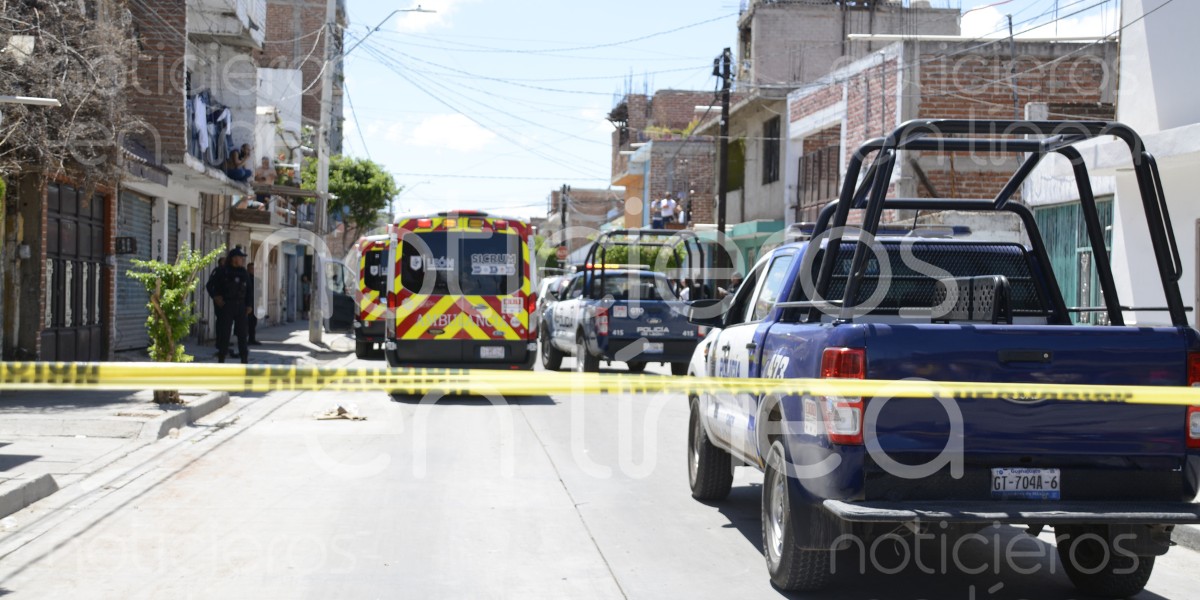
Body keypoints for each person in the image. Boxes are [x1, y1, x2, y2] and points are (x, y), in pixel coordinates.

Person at [206, 247, 253, 363]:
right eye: (240, 258)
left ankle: (244, 359)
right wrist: (215, 297)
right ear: (233, 259)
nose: (242, 260)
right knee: (225, 333)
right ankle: (221, 358)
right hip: (227, 305)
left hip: (241, 306)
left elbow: (250, 291)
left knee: (242, 334)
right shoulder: (222, 271)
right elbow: (209, 286)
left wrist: (249, 305)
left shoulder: (244, 273)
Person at [246, 262, 261, 345]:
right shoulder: (245, 277)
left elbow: (258, 291)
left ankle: (252, 338)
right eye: (251, 268)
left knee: (253, 322)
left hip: (254, 303)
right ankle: (245, 339)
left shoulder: (256, 279)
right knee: (246, 323)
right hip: (247, 304)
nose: (253, 270)